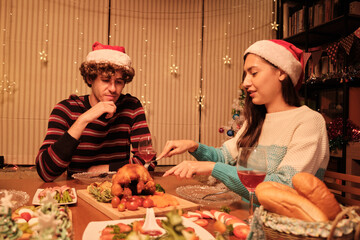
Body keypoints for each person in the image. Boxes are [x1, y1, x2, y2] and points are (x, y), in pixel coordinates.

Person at [157, 39, 330, 202]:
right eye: (245, 75)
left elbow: (285, 187)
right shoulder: (256, 121)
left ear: (281, 72)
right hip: (245, 213)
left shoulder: (308, 121)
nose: (245, 83)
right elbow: (224, 157)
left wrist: (213, 168)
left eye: (254, 73)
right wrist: (193, 146)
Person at [36, 41, 156, 182]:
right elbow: (46, 172)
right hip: (77, 190)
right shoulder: (65, 110)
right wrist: (83, 119)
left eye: (118, 82)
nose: (113, 88)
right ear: (90, 78)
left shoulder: (131, 107)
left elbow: (148, 161)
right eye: (106, 80)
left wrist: (101, 170)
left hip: (118, 191)